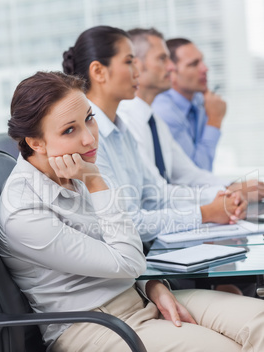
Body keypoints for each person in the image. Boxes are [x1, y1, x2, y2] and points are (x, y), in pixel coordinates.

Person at [0, 70, 264, 352]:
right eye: (70, 130)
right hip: (96, 334)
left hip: (139, 297)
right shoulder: (24, 213)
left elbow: (120, 252)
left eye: (89, 120)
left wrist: (152, 286)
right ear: (35, 143)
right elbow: (127, 259)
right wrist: (96, 183)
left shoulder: (76, 167)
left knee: (260, 322)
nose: (90, 139)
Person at [62, 25, 247, 245]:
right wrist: (206, 212)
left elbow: (156, 195)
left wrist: (223, 198)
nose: (137, 73)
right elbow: (129, 223)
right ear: (99, 71)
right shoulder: (87, 140)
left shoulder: (122, 130)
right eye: (129, 62)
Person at [118, 28, 264, 205]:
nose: (171, 67)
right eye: (162, 59)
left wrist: (234, 187)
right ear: (136, 64)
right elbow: (155, 194)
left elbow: (189, 174)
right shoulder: (126, 121)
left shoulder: (154, 120)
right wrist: (229, 192)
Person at [152, 37, 225, 171]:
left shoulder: (198, 99)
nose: (205, 69)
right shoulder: (164, 111)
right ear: (171, 72)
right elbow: (196, 171)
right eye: (193, 64)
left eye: (202, 61)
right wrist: (214, 120)